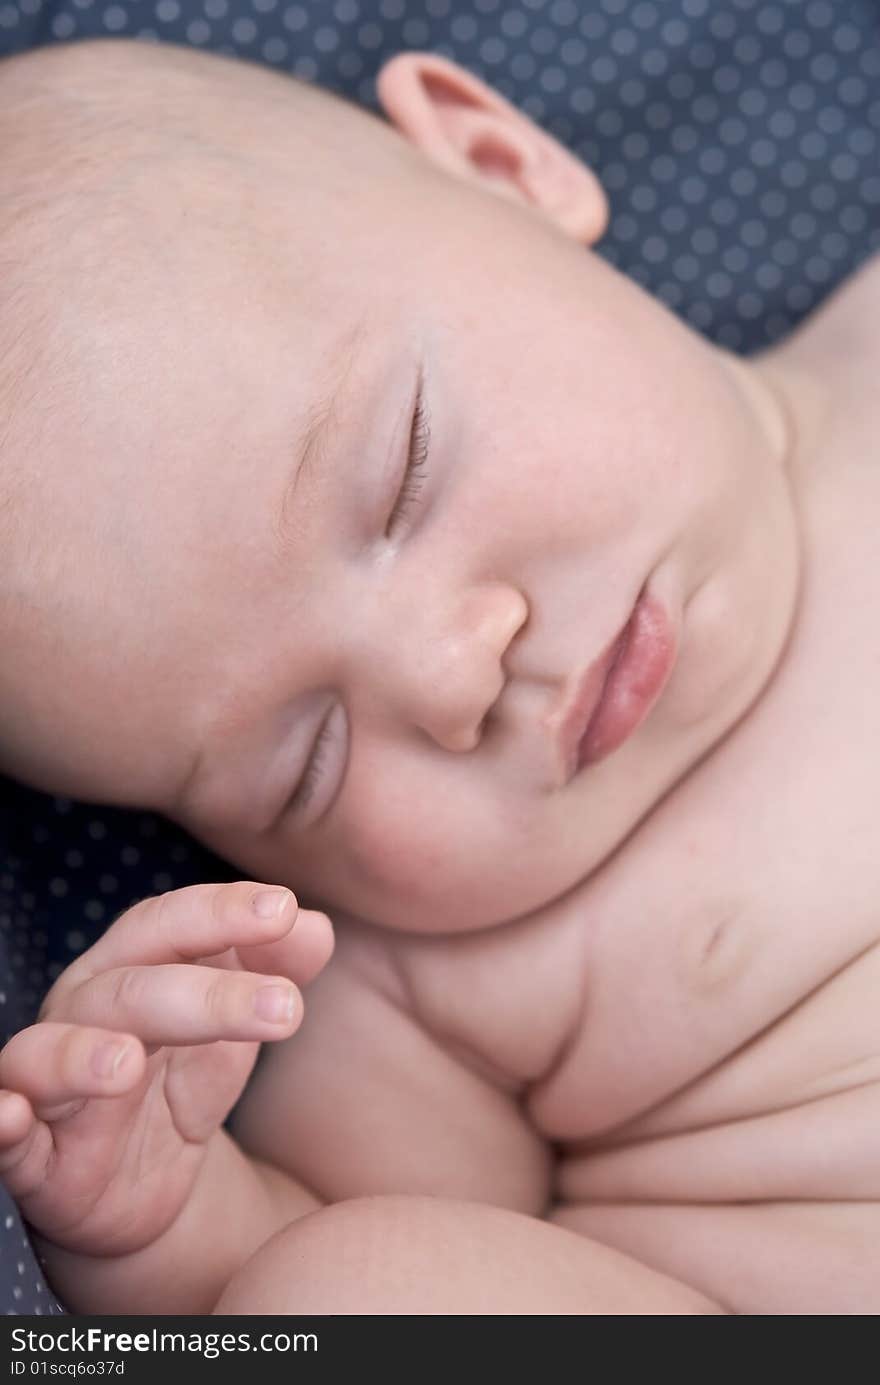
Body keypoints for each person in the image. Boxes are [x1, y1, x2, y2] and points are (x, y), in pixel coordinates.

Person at [0, 35, 877, 1315]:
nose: (456, 673)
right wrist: (176, 1228)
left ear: (500, 164)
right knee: (343, 1280)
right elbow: (336, 1267)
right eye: (309, 759)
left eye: (407, 471)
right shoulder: (403, 987)